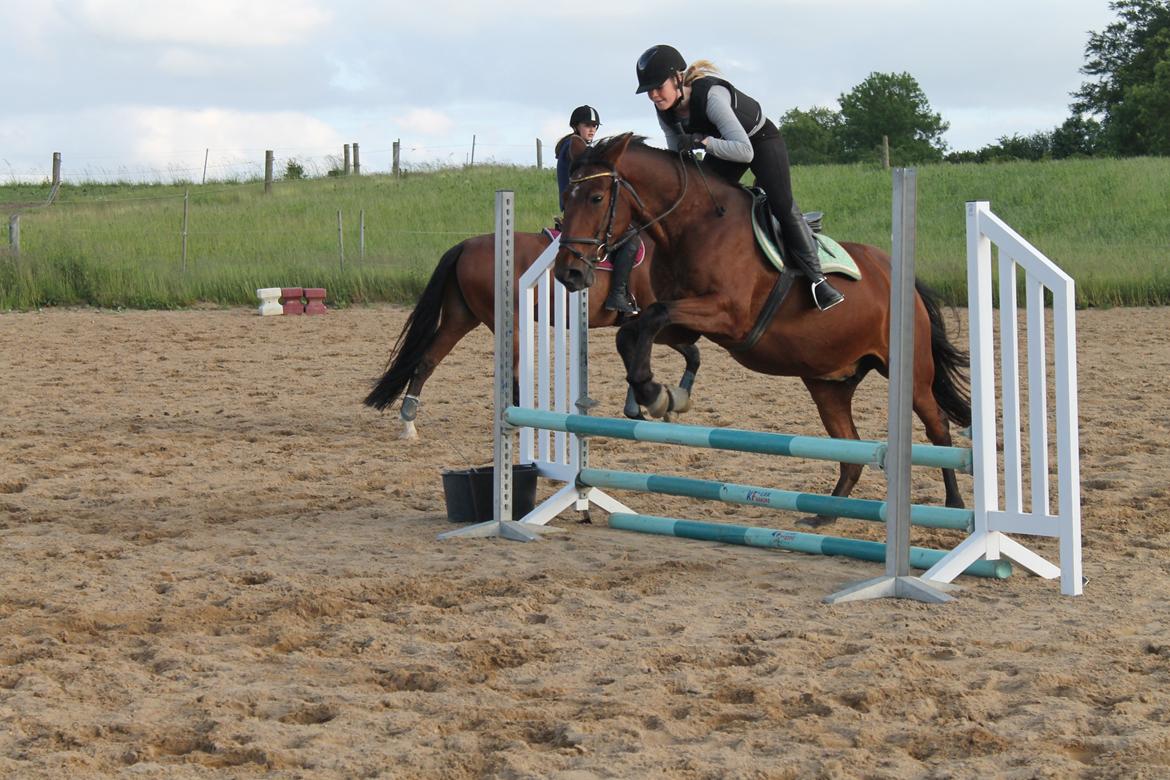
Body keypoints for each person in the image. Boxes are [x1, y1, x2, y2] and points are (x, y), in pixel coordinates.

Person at [633, 44, 844, 311]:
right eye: (648, 90)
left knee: (782, 204)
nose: (653, 95)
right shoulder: (665, 109)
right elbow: (679, 157)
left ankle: (818, 281)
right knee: (700, 199)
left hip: (760, 142)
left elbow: (745, 152)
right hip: (723, 147)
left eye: (657, 87)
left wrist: (703, 142)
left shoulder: (711, 96)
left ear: (677, 78)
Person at [555, 105, 640, 314]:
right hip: (581, 209)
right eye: (587, 125)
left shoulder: (578, 146)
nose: (592, 130)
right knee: (631, 240)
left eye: (594, 126)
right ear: (576, 126)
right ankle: (617, 294)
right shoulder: (573, 145)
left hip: (581, 206)